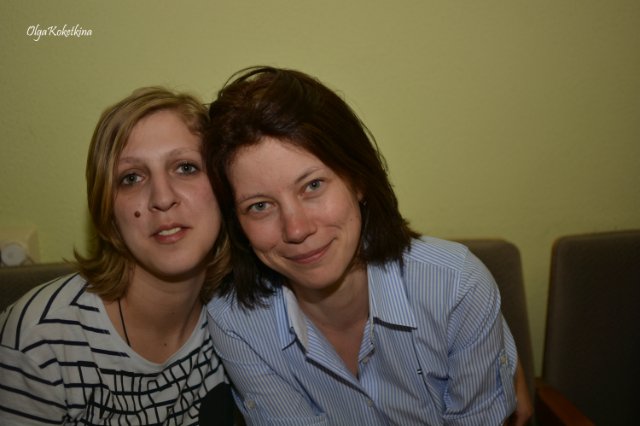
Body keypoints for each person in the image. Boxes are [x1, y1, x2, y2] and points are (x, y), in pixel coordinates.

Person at [205, 66, 529, 425]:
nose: (296, 229)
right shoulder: (237, 323)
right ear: (238, 224)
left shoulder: (456, 287)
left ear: (358, 178)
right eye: (260, 206)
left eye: (313, 186)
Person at [0, 87, 235, 425]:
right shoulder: (40, 340)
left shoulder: (244, 319)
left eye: (185, 167)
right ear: (108, 211)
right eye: (131, 178)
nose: (162, 198)